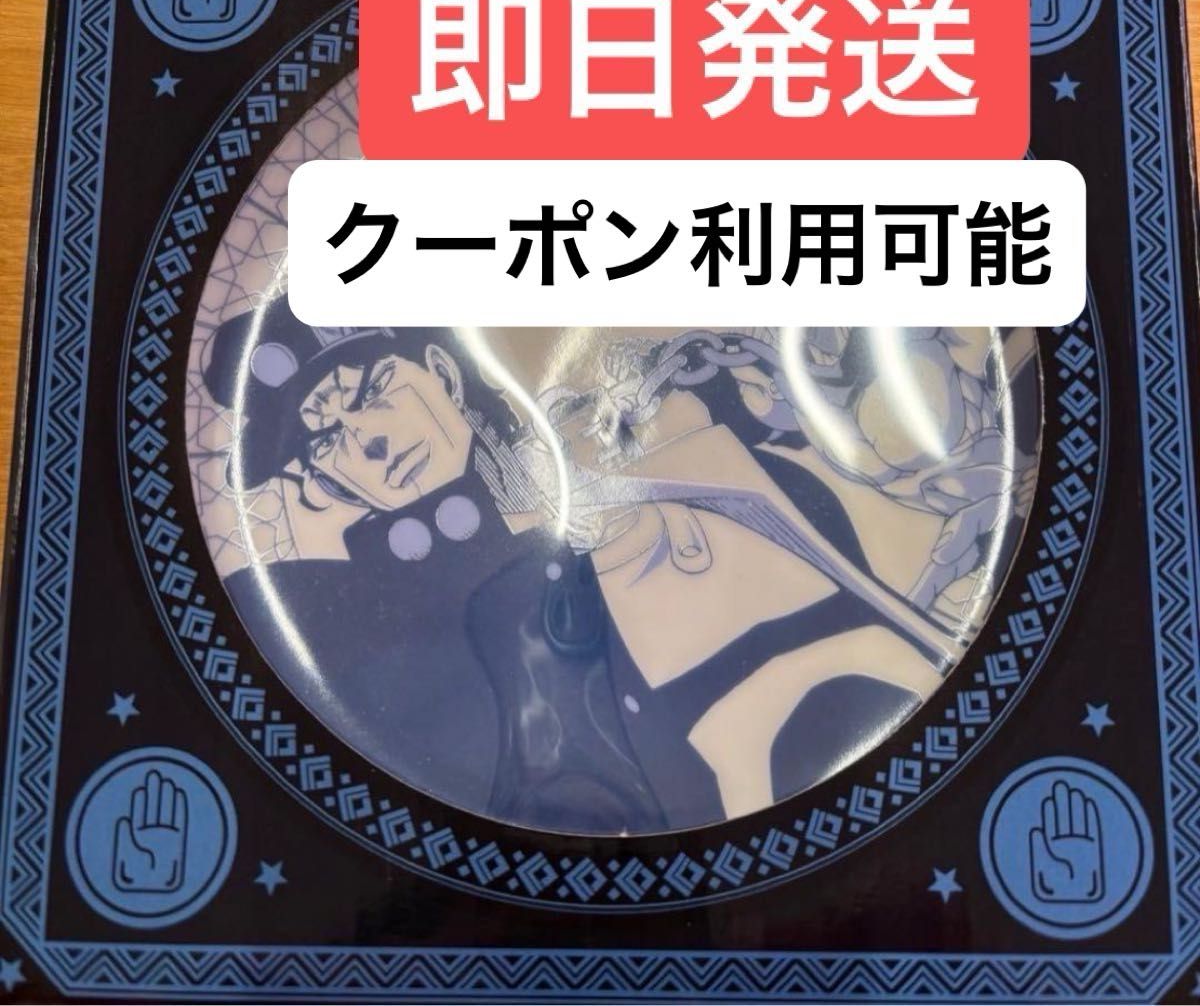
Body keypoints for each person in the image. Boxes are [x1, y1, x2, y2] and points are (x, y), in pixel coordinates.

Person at [202, 304, 984, 833]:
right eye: (327, 440)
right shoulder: (381, 622)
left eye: (374, 393)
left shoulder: (679, 444)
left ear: (442, 368)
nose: (369, 443)